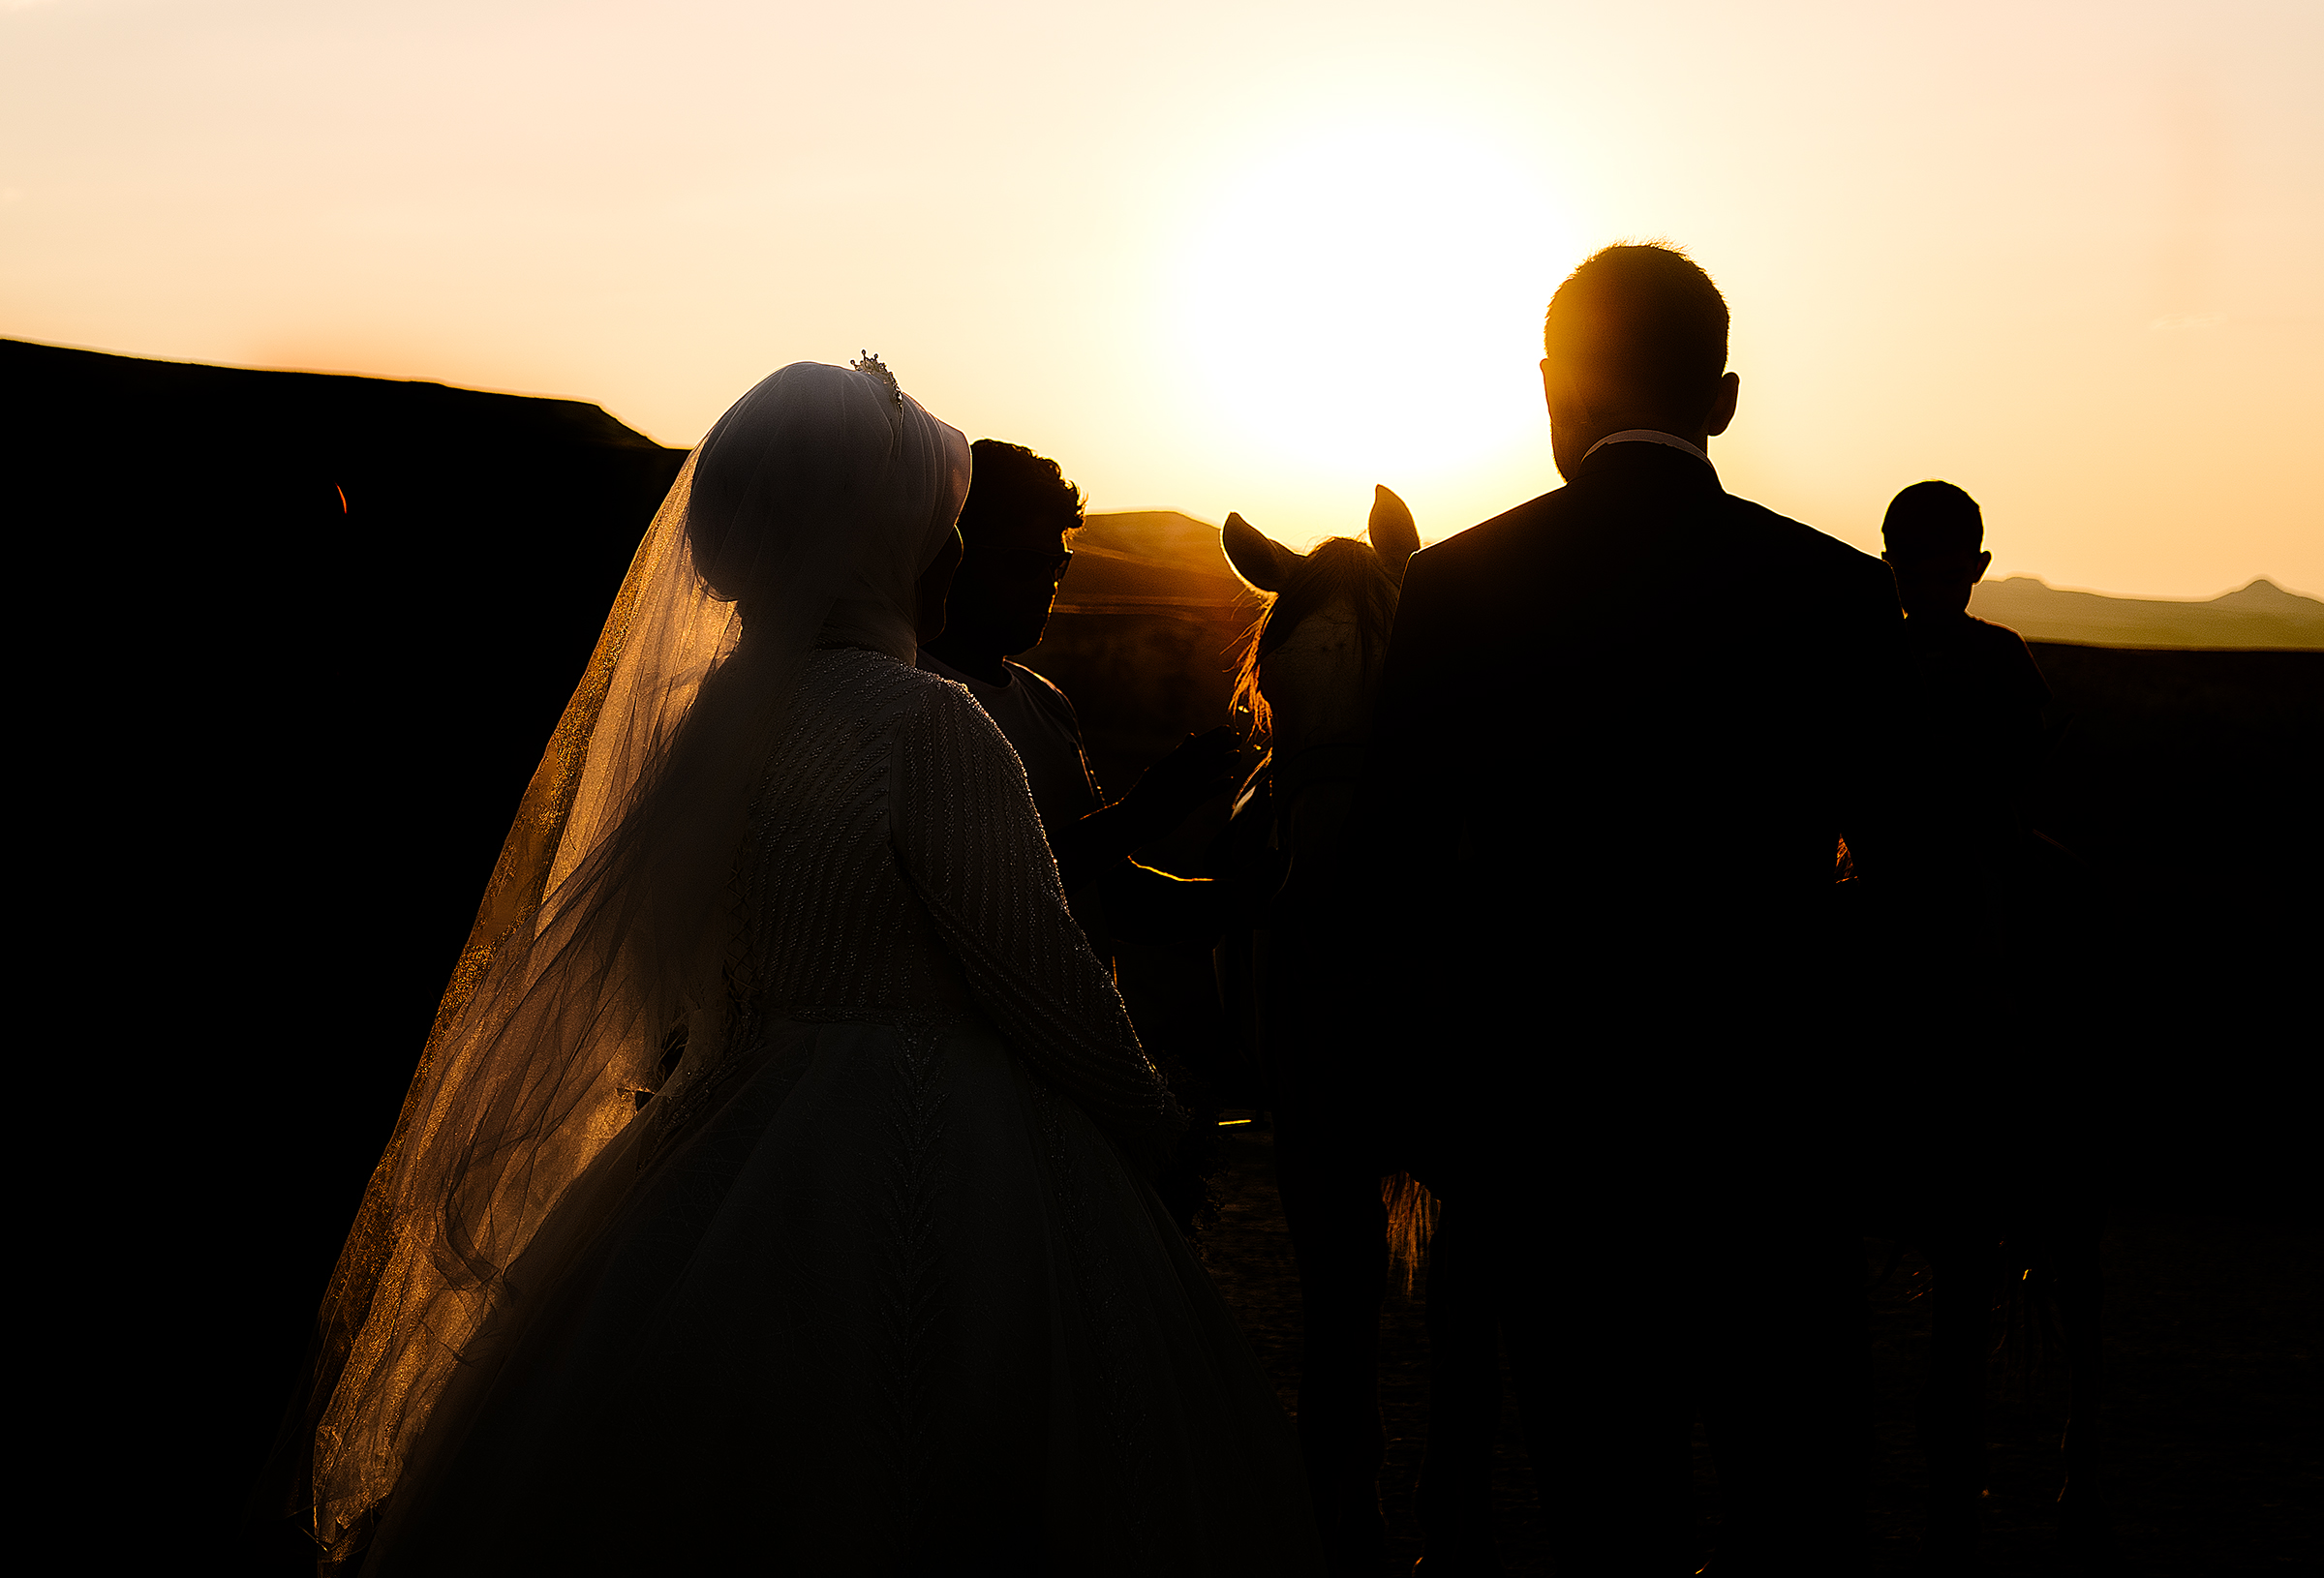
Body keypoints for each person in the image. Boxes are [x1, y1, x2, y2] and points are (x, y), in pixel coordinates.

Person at [260, 359, 1320, 1575]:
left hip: (739, 1117)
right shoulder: (928, 723)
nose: (958, 557)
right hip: (952, 1142)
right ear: (885, 545)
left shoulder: (707, 717)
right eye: (943, 530)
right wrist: (1156, 1123)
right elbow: (1045, 977)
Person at [1364, 244, 1905, 1574]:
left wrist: (1433, 1105)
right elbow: (1898, 872)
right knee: (1799, 1502)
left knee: (1608, 1507)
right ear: (1721, 399)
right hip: (1776, 1135)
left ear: (1557, 389)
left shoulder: (1460, 588)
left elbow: (1395, 881)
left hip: (1554, 1142)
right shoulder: (1837, 591)